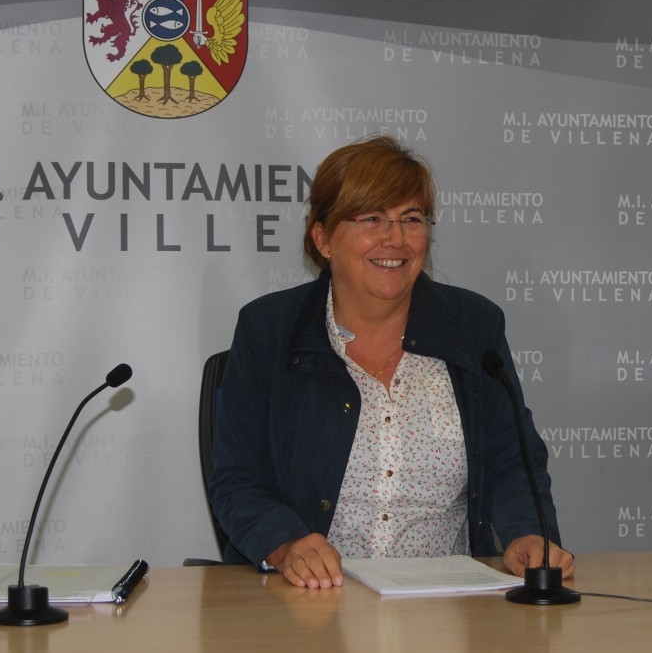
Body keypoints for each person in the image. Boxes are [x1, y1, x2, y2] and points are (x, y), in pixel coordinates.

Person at [209, 135, 574, 589]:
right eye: (372, 219)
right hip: (313, 598)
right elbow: (237, 478)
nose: (396, 239)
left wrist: (528, 532)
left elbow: (512, 460)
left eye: (411, 219)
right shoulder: (269, 329)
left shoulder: (473, 326)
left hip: (448, 600)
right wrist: (285, 543)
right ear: (322, 238)